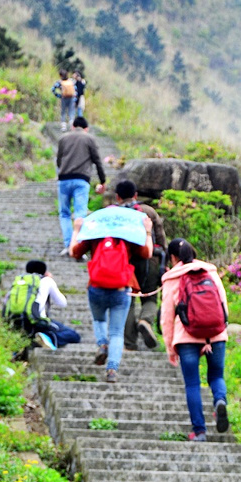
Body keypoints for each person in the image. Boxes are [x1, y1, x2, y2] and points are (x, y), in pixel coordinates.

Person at [70, 214, 153, 382]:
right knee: (116, 332)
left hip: (96, 287)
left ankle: (102, 344)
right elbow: (147, 252)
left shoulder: (95, 234)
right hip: (121, 289)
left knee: (99, 320)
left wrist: (76, 229)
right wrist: (148, 232)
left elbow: (74, 252)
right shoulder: (127, 235)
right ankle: (112, 370)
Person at [161, 238, 229, 441]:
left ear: (173, 257)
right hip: (215, 334)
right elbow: (223, 304)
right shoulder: (210, 272)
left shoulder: (172, 277)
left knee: (192, 383)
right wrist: (220, 331)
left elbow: (166, 318)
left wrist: (170, 349)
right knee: (216, 376)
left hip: (186, 337)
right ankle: (219, 401)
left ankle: (199, 431)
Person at [114, 179, 167, 352]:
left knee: (127, 300)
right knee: (150, 298)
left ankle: (130, 344)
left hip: (125, 263)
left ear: (117, 196)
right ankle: (145, 320)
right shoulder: (148, 211)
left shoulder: (115, 214)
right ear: (135, 195)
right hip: (150, 259)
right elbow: (161, 240)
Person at [3, 260, 81, 351]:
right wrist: (51, 280)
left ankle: (33, 337)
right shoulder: (46, 280)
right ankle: (48, 337)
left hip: (17, 321)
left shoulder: (19, 281)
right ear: (44, 271)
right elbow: (62, 303)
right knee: (74, 336)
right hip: (38, 321)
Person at [56, 116, 107, 256]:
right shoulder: (89, 139)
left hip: (64, 179)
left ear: (73, 126)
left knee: (64, 213)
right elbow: (97, 161)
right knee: (80, 214)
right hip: (81, 180)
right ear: (86, 129)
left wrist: (63, 170)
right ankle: (77, 246)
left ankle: (67, 245)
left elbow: (59, 160)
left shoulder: (63, 138)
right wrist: (103, 181)